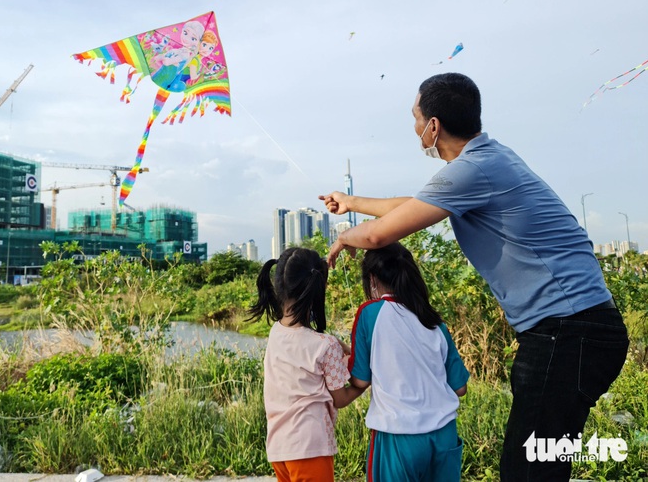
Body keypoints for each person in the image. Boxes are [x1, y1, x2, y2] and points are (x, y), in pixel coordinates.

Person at [320, 73, 629, 481]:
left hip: (568, 331)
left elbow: (380, 234)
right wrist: (352, 202)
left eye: (415, 118)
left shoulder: (473, 169)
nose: (414, 128)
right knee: (542, 466)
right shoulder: (488, 159)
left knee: (527, 472)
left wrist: (345, 238)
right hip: (576, 330)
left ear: (433, 126)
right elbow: (413, 204)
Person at [348, 242, 469, 481]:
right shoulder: (433, 320)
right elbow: (460, 388)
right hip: (444, 436)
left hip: (399, 436)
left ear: (372, 279)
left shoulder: (370, 312)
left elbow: (360, 380)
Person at [248, 247, 365, 482]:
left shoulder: (276, 333)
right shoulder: (325, 345)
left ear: (279, 285)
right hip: (310, 447)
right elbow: (340, 398)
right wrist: (364, 381)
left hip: (279, 448)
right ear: (316, 291)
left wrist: (336, 347)